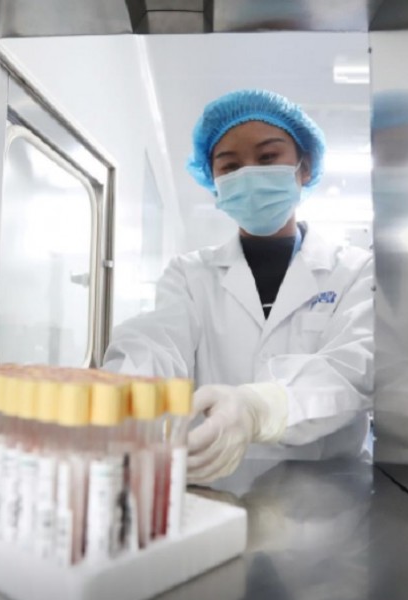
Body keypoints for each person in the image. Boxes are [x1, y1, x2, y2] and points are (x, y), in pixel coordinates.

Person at [103, 89, 374, 484]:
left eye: (268, 157)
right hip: (213, 483)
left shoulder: (355, 270)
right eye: (229, 166)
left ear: (304, 167)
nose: (248, 175)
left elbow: (356, 368)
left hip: (328, 490)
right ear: (215, 184)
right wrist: (123, 395)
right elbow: (156, 342)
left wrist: (260, 408)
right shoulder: (190, 275)